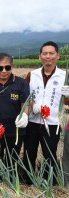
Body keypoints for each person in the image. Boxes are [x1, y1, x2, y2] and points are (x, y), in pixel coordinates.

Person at [23, 41, 69, 184]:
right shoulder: (32, 75)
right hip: (32, 121)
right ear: (40, 56)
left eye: (51, 53)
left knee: (49, 154)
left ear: (57, 56)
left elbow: (67, 103)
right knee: (29, 153)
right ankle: (28, 181)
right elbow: (25, 97)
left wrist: (68, 96)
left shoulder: (65, 76)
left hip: (52, 122)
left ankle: (50, 182)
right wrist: (33, 106)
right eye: (45, 53)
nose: (48, 56)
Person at [0, 53, 30, 181]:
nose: (4, 71)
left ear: (12, 67)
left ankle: (11, 183)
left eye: (7, 68)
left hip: (16, 130)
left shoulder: (21, 83)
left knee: (12, 158)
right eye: (0, 68)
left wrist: (24, 115)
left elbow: (26, 104)